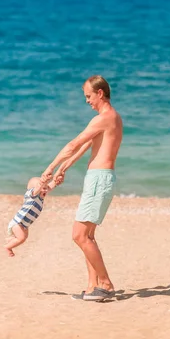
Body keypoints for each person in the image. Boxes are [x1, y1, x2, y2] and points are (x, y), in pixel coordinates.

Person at [41, 75, 123, 302]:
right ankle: (92, 287)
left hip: (99, 180)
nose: (86, 101)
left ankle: (105, 284)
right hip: (98, 179)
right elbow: (86, 146)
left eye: (88, 96)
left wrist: (49, 168)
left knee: (79, 236)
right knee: (88, 236)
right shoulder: (110, 118)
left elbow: (73, 144)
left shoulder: (104, 118)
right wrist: (63, 168)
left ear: (100, 93)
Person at [5, 177, 57, 257]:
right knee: (21, 238)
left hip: (25, 224)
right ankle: (8, 247)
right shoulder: (32, 195)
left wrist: (56, 181)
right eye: (43, 188)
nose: (46, 190)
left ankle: (10, 239)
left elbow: (49, 187)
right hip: (18, 222)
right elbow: (38, 188)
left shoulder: (40, 197)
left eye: (46, 188)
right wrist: (43, 181)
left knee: (24, 238)